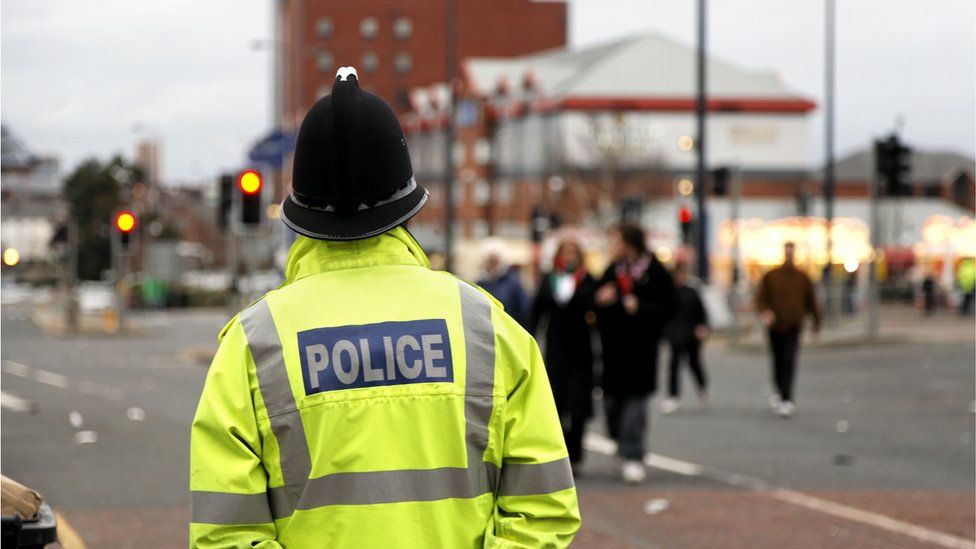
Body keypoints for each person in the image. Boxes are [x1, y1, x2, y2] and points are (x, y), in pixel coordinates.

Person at [189, 67, 580, 548]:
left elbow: (226, 535)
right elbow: (544, 511)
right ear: (409, 206)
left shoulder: (254, 344)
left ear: (301, 211)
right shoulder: (487, 328)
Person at [594, 223, 674, 484]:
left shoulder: (655, 271)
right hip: (614, 350)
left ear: (630, 243)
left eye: (617, 241)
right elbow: (594, 307)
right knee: (612, 404)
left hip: (641, 349)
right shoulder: (612, 271)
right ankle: (620, 444)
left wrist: (642, 308)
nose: (613, 247)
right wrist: (600, 301)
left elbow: (669, 306)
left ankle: (634, 455)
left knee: (635, 405)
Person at [529, 238, 598, 474]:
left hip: (581, 348)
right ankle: (561, 456)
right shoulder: (550, 279)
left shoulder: (587, 279)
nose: (569, 256)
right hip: (556, 347)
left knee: (578, 405)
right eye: (565, 252)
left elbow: (595, 308)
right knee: (555, 403)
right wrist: (529, 340)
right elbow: (537, 311)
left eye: (573, 252)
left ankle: (576, 455)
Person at [756, 242, 821, 418]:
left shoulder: (802, 277)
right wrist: (766, 312)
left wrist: (816, 322)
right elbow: (761, 299)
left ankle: (787, 397)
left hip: (794, 324)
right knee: (778, 360)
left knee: (789, 359)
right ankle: (780, 390)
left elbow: (812, 301)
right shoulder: (772, 276)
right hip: (776, 326)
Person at [660, 262, 709, 415]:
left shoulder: (691, 292)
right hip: (675, 334)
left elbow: (701, 311)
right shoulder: (668, 293)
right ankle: (673, 396)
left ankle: (703, 388)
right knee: (674, 365)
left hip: (692, 333)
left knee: (694, 363)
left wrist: (702, 326)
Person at [477, 243, 530, 328]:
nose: (492, 266)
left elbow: (523, 310)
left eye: (495, 261)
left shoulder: (513, 283)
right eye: (490, 261)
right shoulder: (480, 283)